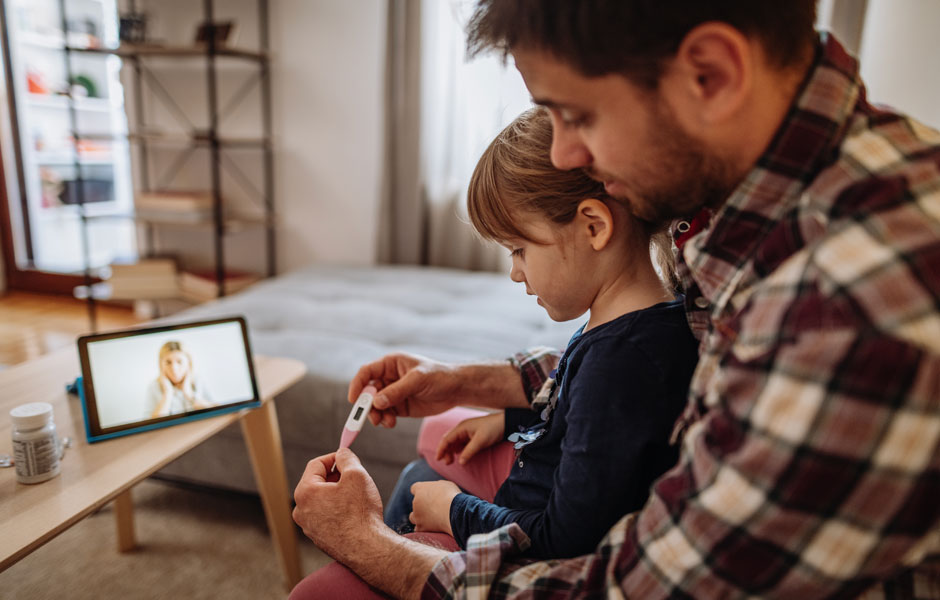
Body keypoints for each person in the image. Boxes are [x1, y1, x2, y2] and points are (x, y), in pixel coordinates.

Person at [291, 1, 940, 598]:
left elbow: (620, 587)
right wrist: (472, 383)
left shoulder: (847, 311)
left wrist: (365, 538)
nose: (564, 154)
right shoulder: (734, 207)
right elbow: (640, 371)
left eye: (577, 115)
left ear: (709, 74)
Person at [381, 107, 699, 559]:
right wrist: (510, 422)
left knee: (414, 490)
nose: (515, 273)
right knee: (421, 471)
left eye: (519, 250)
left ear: (594, 226)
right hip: (530, 485)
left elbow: (563, 537)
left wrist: (455, 511)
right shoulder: (635, 324)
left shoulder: (619, 362)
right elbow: (593, 432)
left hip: (530, 536)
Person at [147, 340, 214, 418]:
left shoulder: (197, 380)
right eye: (168, 362)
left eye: (179, 362)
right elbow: (151, 424)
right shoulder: (153, 386)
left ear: (188, 363)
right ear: (161, 365)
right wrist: (168, 393)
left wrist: (189, 393)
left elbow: (217, 411)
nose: (174, 368)